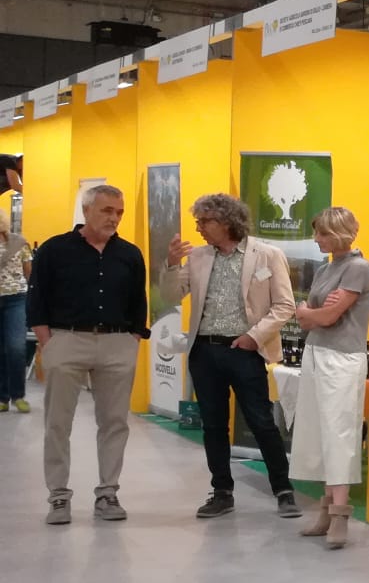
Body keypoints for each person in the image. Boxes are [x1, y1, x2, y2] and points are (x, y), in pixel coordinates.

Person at [164, 193, 299, 520]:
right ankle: (221, 492)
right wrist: (170, 265)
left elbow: (285, 305)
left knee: (261, 421)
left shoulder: (267, 255)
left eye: (204, 221)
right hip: (204, 351)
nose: (199, 228)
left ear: (226, 222)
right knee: (213, 425)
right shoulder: (198, 257)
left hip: (245, 351)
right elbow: (170, 296)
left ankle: (283, 490)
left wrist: (254, 337)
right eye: (198, 221)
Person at [27, 184, 147, 524]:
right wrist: (49, 343)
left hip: (117, 343)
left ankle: (108, 493)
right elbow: (37, 300)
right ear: (86, 210)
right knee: (57, 422)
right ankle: (58, 496)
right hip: (67, 340)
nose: (114, 218)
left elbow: (138, 302)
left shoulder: (129, 254)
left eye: (119, 212)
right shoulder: (54, 250)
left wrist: (132, 340)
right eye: (107, 210)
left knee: (114, 422)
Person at [289, 207, 369, 549]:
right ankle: (326, 510)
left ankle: (340, 514)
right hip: (316, 354)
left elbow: (326, 316)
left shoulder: (359, 268)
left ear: (340, 233)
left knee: (339, 433)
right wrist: (313, 313)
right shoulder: (326, 269)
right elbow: (309, 315)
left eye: (322, 233)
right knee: (317, 432)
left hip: (342, 359)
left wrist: (312, 313)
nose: (317, 239)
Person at [2, 213, 30, 413]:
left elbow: (29, 272)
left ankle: (18, 395)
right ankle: (2, 398)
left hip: (17, 299)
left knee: (16, 347)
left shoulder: (19, 243)